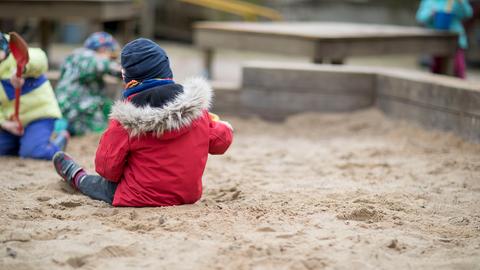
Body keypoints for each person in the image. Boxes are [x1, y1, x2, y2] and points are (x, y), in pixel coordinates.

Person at [52, 38, 234, 207]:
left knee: (100, 184)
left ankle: (77, 177)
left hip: (138, 197)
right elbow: (221, 142)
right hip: (186, 196)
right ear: (166, 69)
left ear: (128, 78)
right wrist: (220, 124)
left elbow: (106, 168)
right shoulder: (197, 111)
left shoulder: (126, 120)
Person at [0, 32, 67, 160]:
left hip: (39, 116)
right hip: (13, 122)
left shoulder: (16, 51)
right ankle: (26, 143)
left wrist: (22, 69)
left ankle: (58, 143)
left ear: (3, 47)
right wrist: (4, 123)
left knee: (33, 153)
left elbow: (40, 59)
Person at [55, 32, 121, 136]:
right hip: (77, 108)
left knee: (108, 104)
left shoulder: (76, 58)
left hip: (69, 107)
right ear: (102, 50)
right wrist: (124, 71)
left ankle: (67, 127)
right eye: (111, 56)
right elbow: (102, 64)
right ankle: (73, 128)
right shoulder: (85, 56)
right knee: (103, 127)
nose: (112, 59)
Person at [416, 0, 473, 78]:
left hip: (456, 42)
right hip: (436, 42)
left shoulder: (456, 1)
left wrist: (461, 3)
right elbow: (420, 17)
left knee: (458, 70)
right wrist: (431, 14)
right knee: (436, 72)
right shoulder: (430, 2)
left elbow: (468, 14)